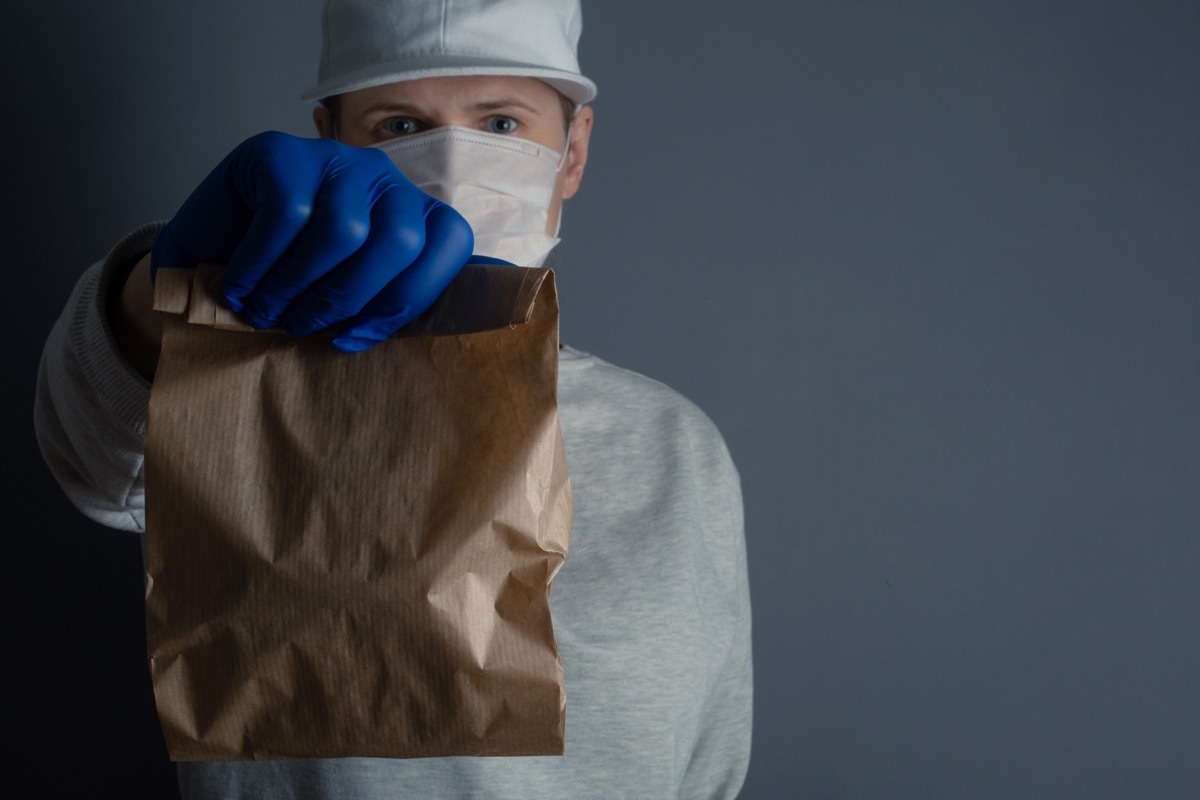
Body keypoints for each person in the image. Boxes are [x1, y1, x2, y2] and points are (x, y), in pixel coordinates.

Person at [34, 0, 753, 797]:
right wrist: (161, 294)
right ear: (329, 143)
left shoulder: (673, 448)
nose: (450, 169)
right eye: (399, 126)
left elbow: (708, 768)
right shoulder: (246, 392)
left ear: (573, 149)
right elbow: (94, 461)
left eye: (502, 125)